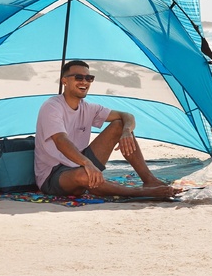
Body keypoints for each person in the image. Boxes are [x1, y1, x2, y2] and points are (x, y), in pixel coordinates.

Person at [34, 60, 178, 199]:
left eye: (89, 78)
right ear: (64, 81)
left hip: (80, 162)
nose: (84, 82)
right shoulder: (52, 107)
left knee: (119, 125)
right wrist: (87, 164)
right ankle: (139, 192)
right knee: (83, 175)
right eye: (79, 77)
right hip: (54, 174)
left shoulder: (88, 108)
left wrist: (126, 131)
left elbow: (126, 115)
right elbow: (61, 141)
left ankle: (149, 180)